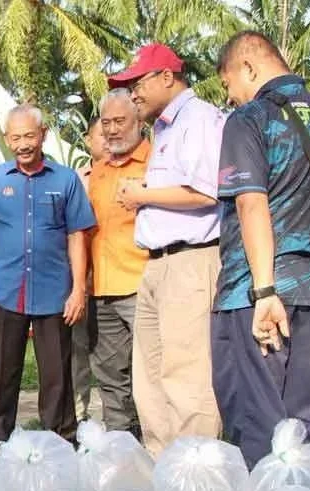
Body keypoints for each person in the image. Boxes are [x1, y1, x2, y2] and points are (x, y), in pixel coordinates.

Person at [211, 31, 310, 466]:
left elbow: (250, 201)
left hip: (258, 294)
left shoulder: (251, 119)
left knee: (256, 425)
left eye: (228, 85)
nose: (232, 97)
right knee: (296, 428)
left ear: (249, 68)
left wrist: (263, 292)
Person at [109, 43, 226, 457]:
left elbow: (204, 192)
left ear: (166, 77)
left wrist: (143, 195)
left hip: (191, 260)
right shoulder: (164, 127)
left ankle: (196, 473)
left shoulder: (199, 119)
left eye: (137, 83)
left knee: (188, 376)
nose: (132, 93)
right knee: (150, 377)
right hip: (157, 264)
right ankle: (163, 468)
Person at [0, 104, 96, 449]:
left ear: (42, 135)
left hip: (54, 293)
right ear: (6, 139)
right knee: (3, 373)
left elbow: (77, 236)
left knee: (57, 376)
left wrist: (78, 291)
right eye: (16, 137)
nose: (23, 144)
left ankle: (61, 443)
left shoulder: (65, 180)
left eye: (29, 135)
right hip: (5, 292)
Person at [86, 89, 151, 435]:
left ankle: (156, 443)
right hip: (101, 289)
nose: (112, 130)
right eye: (106, 122)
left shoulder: (156, 161)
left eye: (120, 121)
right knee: (110, 374)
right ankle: (120, 445)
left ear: (139, 121)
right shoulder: (96, 171)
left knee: (150, 372)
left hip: (142, 285)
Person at [72, 118, 107, 422]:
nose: (108, 138)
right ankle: (79, 419)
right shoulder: (75, 181)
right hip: (82, 282)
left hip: (118, 282)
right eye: (101, 132)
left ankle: (124, 423)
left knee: (116, 357)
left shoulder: (139, 174)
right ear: (87, 139)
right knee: (78, 354)